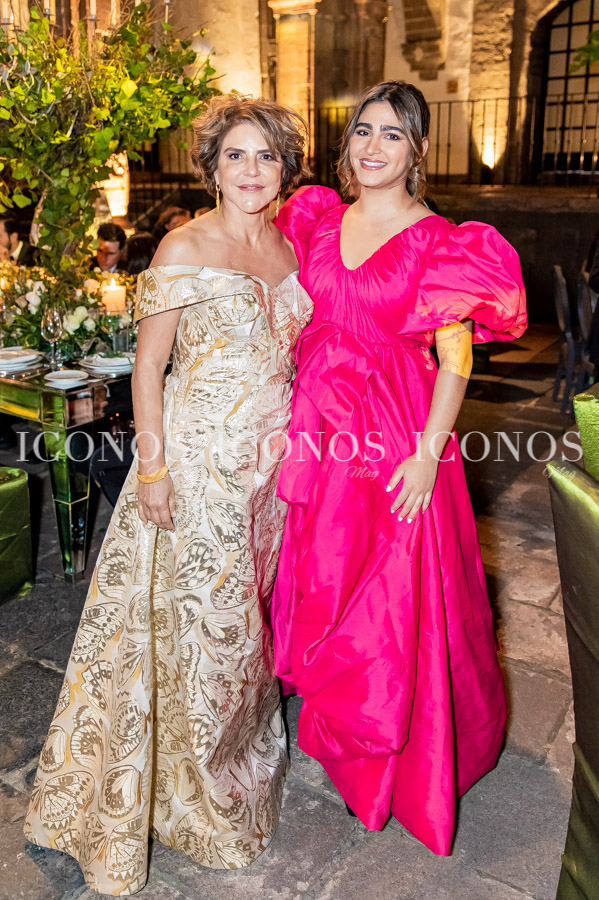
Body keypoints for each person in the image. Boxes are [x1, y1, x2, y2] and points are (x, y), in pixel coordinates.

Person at [24, 94, 312, 894]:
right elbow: (148, 367)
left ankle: (235, 759)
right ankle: (191, 796)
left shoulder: (289, 246)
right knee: (204, 630)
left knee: (245, 630)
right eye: (235, 155)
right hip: (197, 466)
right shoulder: (185, 244)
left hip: (269, 475)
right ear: (212, 167)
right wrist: (151, 472)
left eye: (266, 156)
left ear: (285, 168)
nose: (251, 170)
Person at [271, 81, 527, 855]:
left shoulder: (441, 242)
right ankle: (339, 728)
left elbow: (455, 358)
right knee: (327, 578)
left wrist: (426, 452)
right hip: (318, 430)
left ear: (417, 149)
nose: (373, 146)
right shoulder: (316, 219)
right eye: (362, 131)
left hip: (395, 436)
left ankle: (389, 767)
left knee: (387, 599)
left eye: (391, 134)